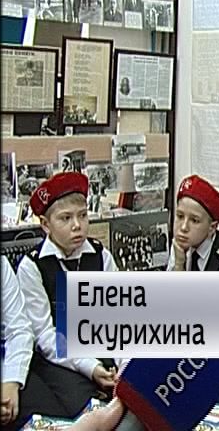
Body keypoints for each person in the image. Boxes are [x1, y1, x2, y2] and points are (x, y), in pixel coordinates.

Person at [16, 172, 121, 419]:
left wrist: (122, 363)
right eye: (66, 218)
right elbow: (45, 336)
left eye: (83, 215)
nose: (77, 225)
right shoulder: (33, 266)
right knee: (91, 411)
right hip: (60, 360)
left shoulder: (100, 255)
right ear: (45, 225)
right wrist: (91, 367)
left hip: (104, 347)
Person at [1, 256, 67, 431]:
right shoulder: (32, 265)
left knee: (55, 420)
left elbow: (19, 330)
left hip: (9, 363)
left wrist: (11, 382)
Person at [166, 175, 219, 272]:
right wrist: (179, 265)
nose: (183, 228)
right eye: (180, 216)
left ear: (212, 227)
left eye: (194, 221)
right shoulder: (180, 244)